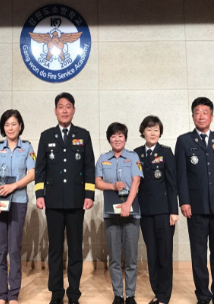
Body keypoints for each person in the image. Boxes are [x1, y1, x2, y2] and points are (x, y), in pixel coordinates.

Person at [175, 97, 214, 304]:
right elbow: (181, 176)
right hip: (196, 206)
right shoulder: (184, 141)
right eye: (197, 112)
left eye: (205, 112)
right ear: (192, 116)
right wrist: (184, 201)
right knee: (199, 254)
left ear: (211, 115)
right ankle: (203, 294)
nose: (201, 116)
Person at [35, 92, 95, 304]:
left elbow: (89, 167)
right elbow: (40, 168)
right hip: (52, 201)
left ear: (74, 110)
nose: (64, 110)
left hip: (77, 200)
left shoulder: (83, 135)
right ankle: (56, 293)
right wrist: (39, 194)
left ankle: (74, 293)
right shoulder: (46, 135)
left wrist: (89, 195)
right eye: (61, 106)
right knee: (55, 249)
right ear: (55, 111)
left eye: (68, 106)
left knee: (76, 249)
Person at [0, 110, 36, 304]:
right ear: (3, 128)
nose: (10, 128)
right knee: (1, 249)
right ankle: (2, 294)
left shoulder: (28, 147)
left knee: (14, 249)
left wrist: (13, 186)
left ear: (20, 126)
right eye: (7, 124)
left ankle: (14, 293)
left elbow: (31, 174)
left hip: (18, 202)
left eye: (14, 124)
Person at [95, 122, 143, 304]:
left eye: (120, 135)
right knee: (114, 257)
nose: (117, 139)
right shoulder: (103, 158)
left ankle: (130, 295)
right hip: (110, 213)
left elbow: (136, 181)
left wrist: (127, 204)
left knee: (131, 257)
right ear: (109, 139)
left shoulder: (133, 156)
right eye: (113, 136)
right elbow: (97, 182)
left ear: (125, 138)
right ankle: (118, 295)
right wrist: (112, 186)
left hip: (132, 213)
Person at [134, 116, 178, 304]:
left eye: (156, 130)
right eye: (149, 129)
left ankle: (164, 296)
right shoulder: (136, 153)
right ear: (143, 131)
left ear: (160, 133)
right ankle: (157, 291)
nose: (153, 133)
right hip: (145, 212)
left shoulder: (166, 153)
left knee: (164, 254)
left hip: (164, 212)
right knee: (151, 254)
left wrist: (174, 211)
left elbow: (172, 183)